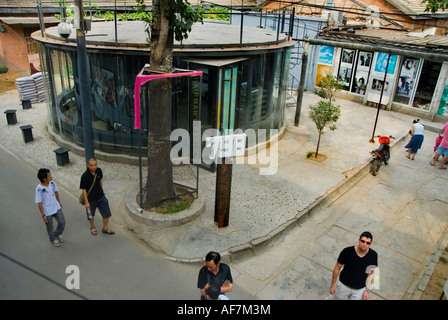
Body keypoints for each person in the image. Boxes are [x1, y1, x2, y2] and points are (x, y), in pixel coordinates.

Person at [329, 231, 378, 300]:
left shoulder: (373, 255)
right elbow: (337, 268)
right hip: (343, 285)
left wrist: (367, 291)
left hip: (359, 289)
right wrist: (333, 285)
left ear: (370, 244)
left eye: (367, 243)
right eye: (362, 241)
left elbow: (371, 274)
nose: (364, 244)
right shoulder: (347, 251)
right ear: (359, 240)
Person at [80, 158, 115, 235]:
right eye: (92, 165)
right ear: (88, 165)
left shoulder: (99, 171)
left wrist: (101, 190)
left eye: (95, 165)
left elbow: (100, 181)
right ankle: (92, 227)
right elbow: (84, 190)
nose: (94, 167)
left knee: (107, 213)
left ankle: (105, 228)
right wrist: (86, 202)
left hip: (101, 196)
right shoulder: (85, 176)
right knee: (90, 215)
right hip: (91, 200)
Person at [35, 168, 65, 247]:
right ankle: (53, 238)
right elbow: (39, 203)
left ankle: (57, 233)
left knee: (62, 222)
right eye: (49, 175)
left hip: (56, 207)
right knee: (50, 227)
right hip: (47, 211)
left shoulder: (52, 183)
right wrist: (43, 215)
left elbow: (56, 193)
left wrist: (59, 202)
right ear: (44, 179)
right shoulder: (39, 189)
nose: (51, 176)